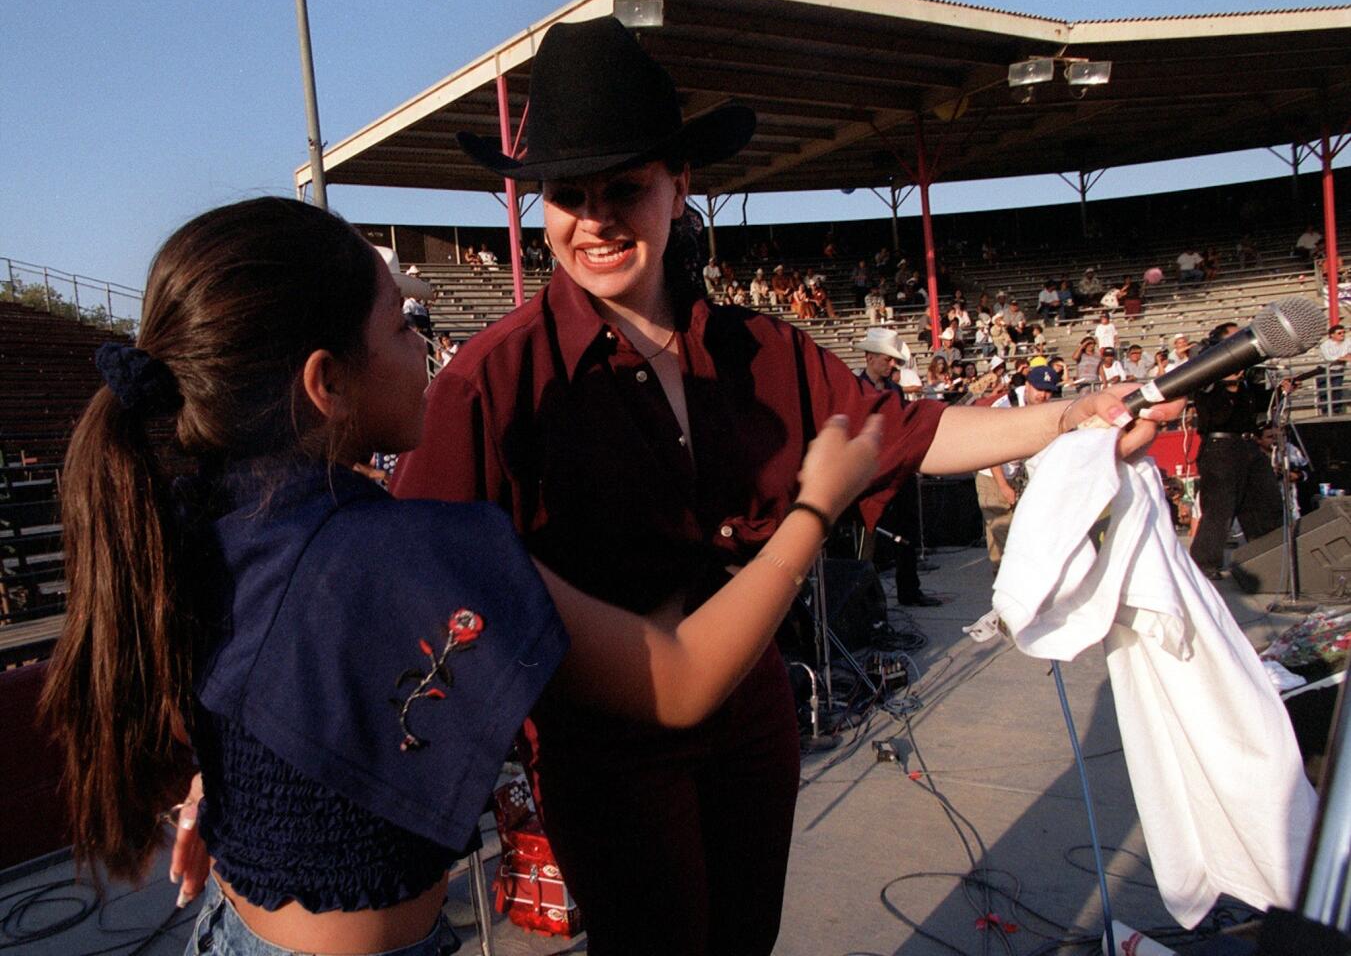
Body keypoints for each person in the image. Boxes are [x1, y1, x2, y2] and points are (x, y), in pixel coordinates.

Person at [398, 17, 1174, 956]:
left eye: (625, 188)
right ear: (539, 206)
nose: (596, 219)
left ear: (679, 188)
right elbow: (421, 572)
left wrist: (1071, 414)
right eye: (569, 194)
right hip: (603, 747)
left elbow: (908, 432)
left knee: (742, 942)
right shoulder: (489, 380)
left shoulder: (762, 350)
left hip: (754, 720)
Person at [39, 197, 883, 956]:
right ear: (326, 381)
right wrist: (814, 507)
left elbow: (266, 696)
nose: (427, 348)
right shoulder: (412, 554)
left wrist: (223, 796)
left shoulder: (187, 521)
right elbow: (681, 680)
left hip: (233, 927)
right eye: (403, 327)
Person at [1189, 323, 1285, 580]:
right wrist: (1229, 387)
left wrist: (1281, 391)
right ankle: (1204, 565)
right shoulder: (1207, 379)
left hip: (1247, 445)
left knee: (1266, 502)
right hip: (1221, 447)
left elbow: (1256, 408)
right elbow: (1217, 417)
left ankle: (1270, 557)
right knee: (1220, 508)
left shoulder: (1247, 381)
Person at [854, 328, 940, 607]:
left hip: (897, 472)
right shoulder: (855, 389)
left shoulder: (894, 390)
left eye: (893, 360)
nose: (892, 365)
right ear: (869, 357)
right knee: (867, 540)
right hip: (869, 475)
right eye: (886, 359)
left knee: (907, 534)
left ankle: (909, 590)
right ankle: (865, 601)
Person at [974, 365, 1062, 573]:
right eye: (1039, 389)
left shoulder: (1041, 406)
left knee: (1021, 527)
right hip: (993, 474)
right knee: (1001, 527)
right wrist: (1003, 485)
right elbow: (990, 451)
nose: (1043, 395)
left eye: (1048, 391)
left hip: (1017, 473)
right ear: (1028, 385)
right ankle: (1005, 580)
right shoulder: (1005, 407)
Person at [1318, 323, 1349, 415]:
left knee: (1336, 389)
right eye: (1339, 333)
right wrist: (1343, 357)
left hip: (1338, 369)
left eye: (1343, 332)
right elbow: (1329, 357)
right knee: (1324, 391)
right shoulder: (1325, 345)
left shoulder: (1348, 342)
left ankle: (1336, 411)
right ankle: (1325, 412)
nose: (1342, 334)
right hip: (1324, 369)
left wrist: (1341, 358)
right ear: (1332, 335)